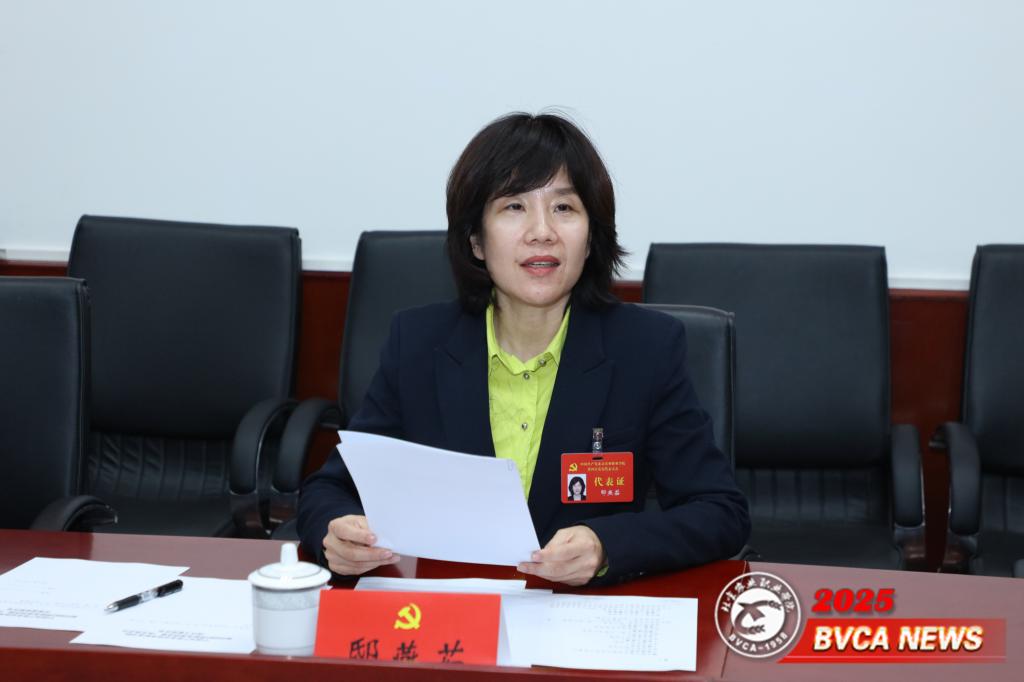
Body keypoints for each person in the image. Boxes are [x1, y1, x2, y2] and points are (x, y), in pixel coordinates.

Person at [297, 112, 750, 586]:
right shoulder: (418, 343)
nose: (542, 231)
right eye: (514, 206)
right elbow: (330, 489)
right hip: (452, 606)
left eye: (564, 207)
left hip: (581, 612)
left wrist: (607, 545)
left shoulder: (645, 349)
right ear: (476, 239)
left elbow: (719, 511)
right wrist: (336, 531)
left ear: (590, 238)